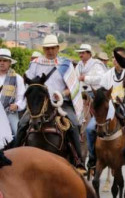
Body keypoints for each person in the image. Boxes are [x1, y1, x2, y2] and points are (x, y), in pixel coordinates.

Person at [15, 35, 86, 172]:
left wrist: (61, 94)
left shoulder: (65, 64)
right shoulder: (35, 63)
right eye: (47, 48)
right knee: (22, 123)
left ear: (58, 48)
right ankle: (15, 159)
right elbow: (30, 82)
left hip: (61, 103)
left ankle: (79, 161)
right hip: (39, 104)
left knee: (74, 124)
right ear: (43, 49)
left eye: (53, 48)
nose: (50, 51)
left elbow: (73, 86)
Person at [85, 47, 125, 169]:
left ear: (124, 59)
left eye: (118, 57)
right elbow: (101, 93)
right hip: (107, 108)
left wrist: (123, 99)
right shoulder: (107, 75)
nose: (115, 60)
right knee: (89, 129)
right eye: (113, 57)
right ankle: (93, 158)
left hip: (124, 106)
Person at [75, 44, 107, 169]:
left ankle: (93, 157)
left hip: (94, 96)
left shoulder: (97, 64)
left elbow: (102, 78)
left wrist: (85, 78)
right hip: (79, 95)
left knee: (91, 126)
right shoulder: (79, 65)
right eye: (80, 53)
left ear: (89, 53)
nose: (80, 55)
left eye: (83, 53)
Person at [0, 49, 26, 138]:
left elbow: (22, 98)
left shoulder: (17, 78)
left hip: (9, 112)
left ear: (10, 63)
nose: (2, 63)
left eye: (5, 60)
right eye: (0, 60)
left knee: (18, 133)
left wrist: (16, 106)